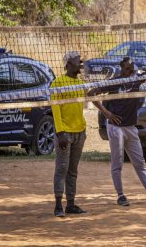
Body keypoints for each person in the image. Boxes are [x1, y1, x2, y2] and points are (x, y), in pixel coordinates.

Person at [88, 44, 146, 206]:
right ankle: (120, 195)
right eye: (127, 69)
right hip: (115, 128)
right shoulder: (114, 82)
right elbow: (90, 94)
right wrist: (107, 113)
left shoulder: (136, 79)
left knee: (139, 162)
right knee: (117, 163)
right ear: (121, 70)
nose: (131, 71)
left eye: (132, 68)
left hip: (131, 127)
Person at [51, 51, 87, 217]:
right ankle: (58, 205)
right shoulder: (58, 83)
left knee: (73, 170)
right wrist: (60, 133)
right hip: (65, 133)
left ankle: (70, 204)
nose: (80, 62)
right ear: (68, 64)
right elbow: (56, 110)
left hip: (80, 132)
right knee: (62, 168)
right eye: (77, 60)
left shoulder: (80, 83)